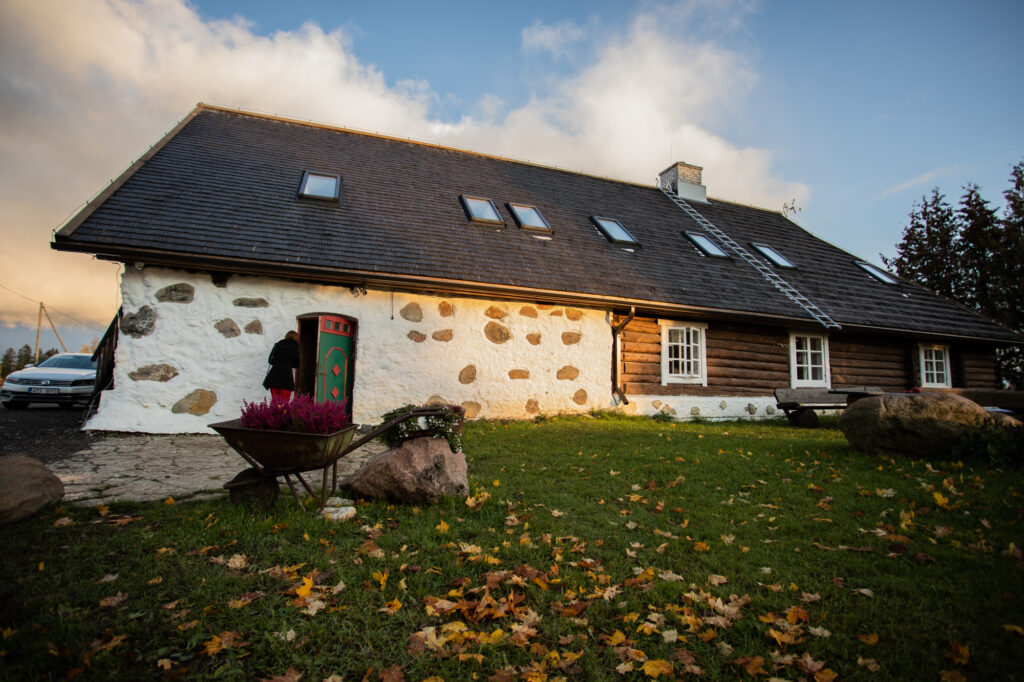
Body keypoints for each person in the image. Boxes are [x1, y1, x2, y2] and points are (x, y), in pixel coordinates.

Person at [263, 331, 300, 402]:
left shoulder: (277, 345)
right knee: (284, 403)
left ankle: (274, 413)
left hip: (273, 376)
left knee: (275, 402)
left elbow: (270, 361)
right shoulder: (295, 347)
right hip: (286, 378)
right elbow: (296, 364)